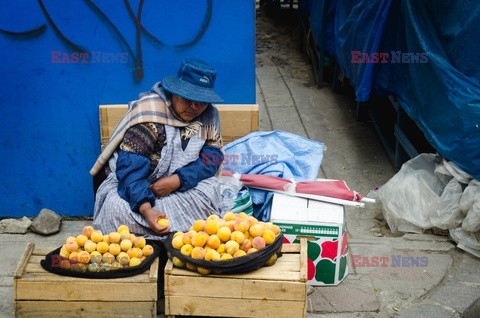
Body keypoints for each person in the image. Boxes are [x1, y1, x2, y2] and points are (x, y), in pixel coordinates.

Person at [90, 58, 226, 240]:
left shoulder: (208, 115)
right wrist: (146, 209)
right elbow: (130, 170)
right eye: (189, 98)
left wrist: (177, 180)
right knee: (116, 209)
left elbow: (212, 159)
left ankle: (164, 234)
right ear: (174, 92)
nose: (194, 107)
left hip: (180, 186)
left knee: (210, 193)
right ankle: (168, 233)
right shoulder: (150, 115)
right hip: (135, 186)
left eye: (201, 101)